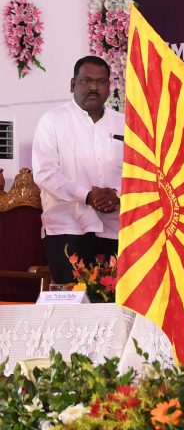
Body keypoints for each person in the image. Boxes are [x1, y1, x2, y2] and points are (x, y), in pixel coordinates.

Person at [31, 56, 124, 284]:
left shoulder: (125, 123)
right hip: (67, 229)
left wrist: (117, 195)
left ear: (109, 86)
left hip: (116, 230)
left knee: (115, 305)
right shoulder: (52, 121)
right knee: (74, 306)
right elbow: (46, 174)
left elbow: (141, 172)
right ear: (73, 84)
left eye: (101, 82)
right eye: (86, 81)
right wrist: (88, 196)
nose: (94, 87)